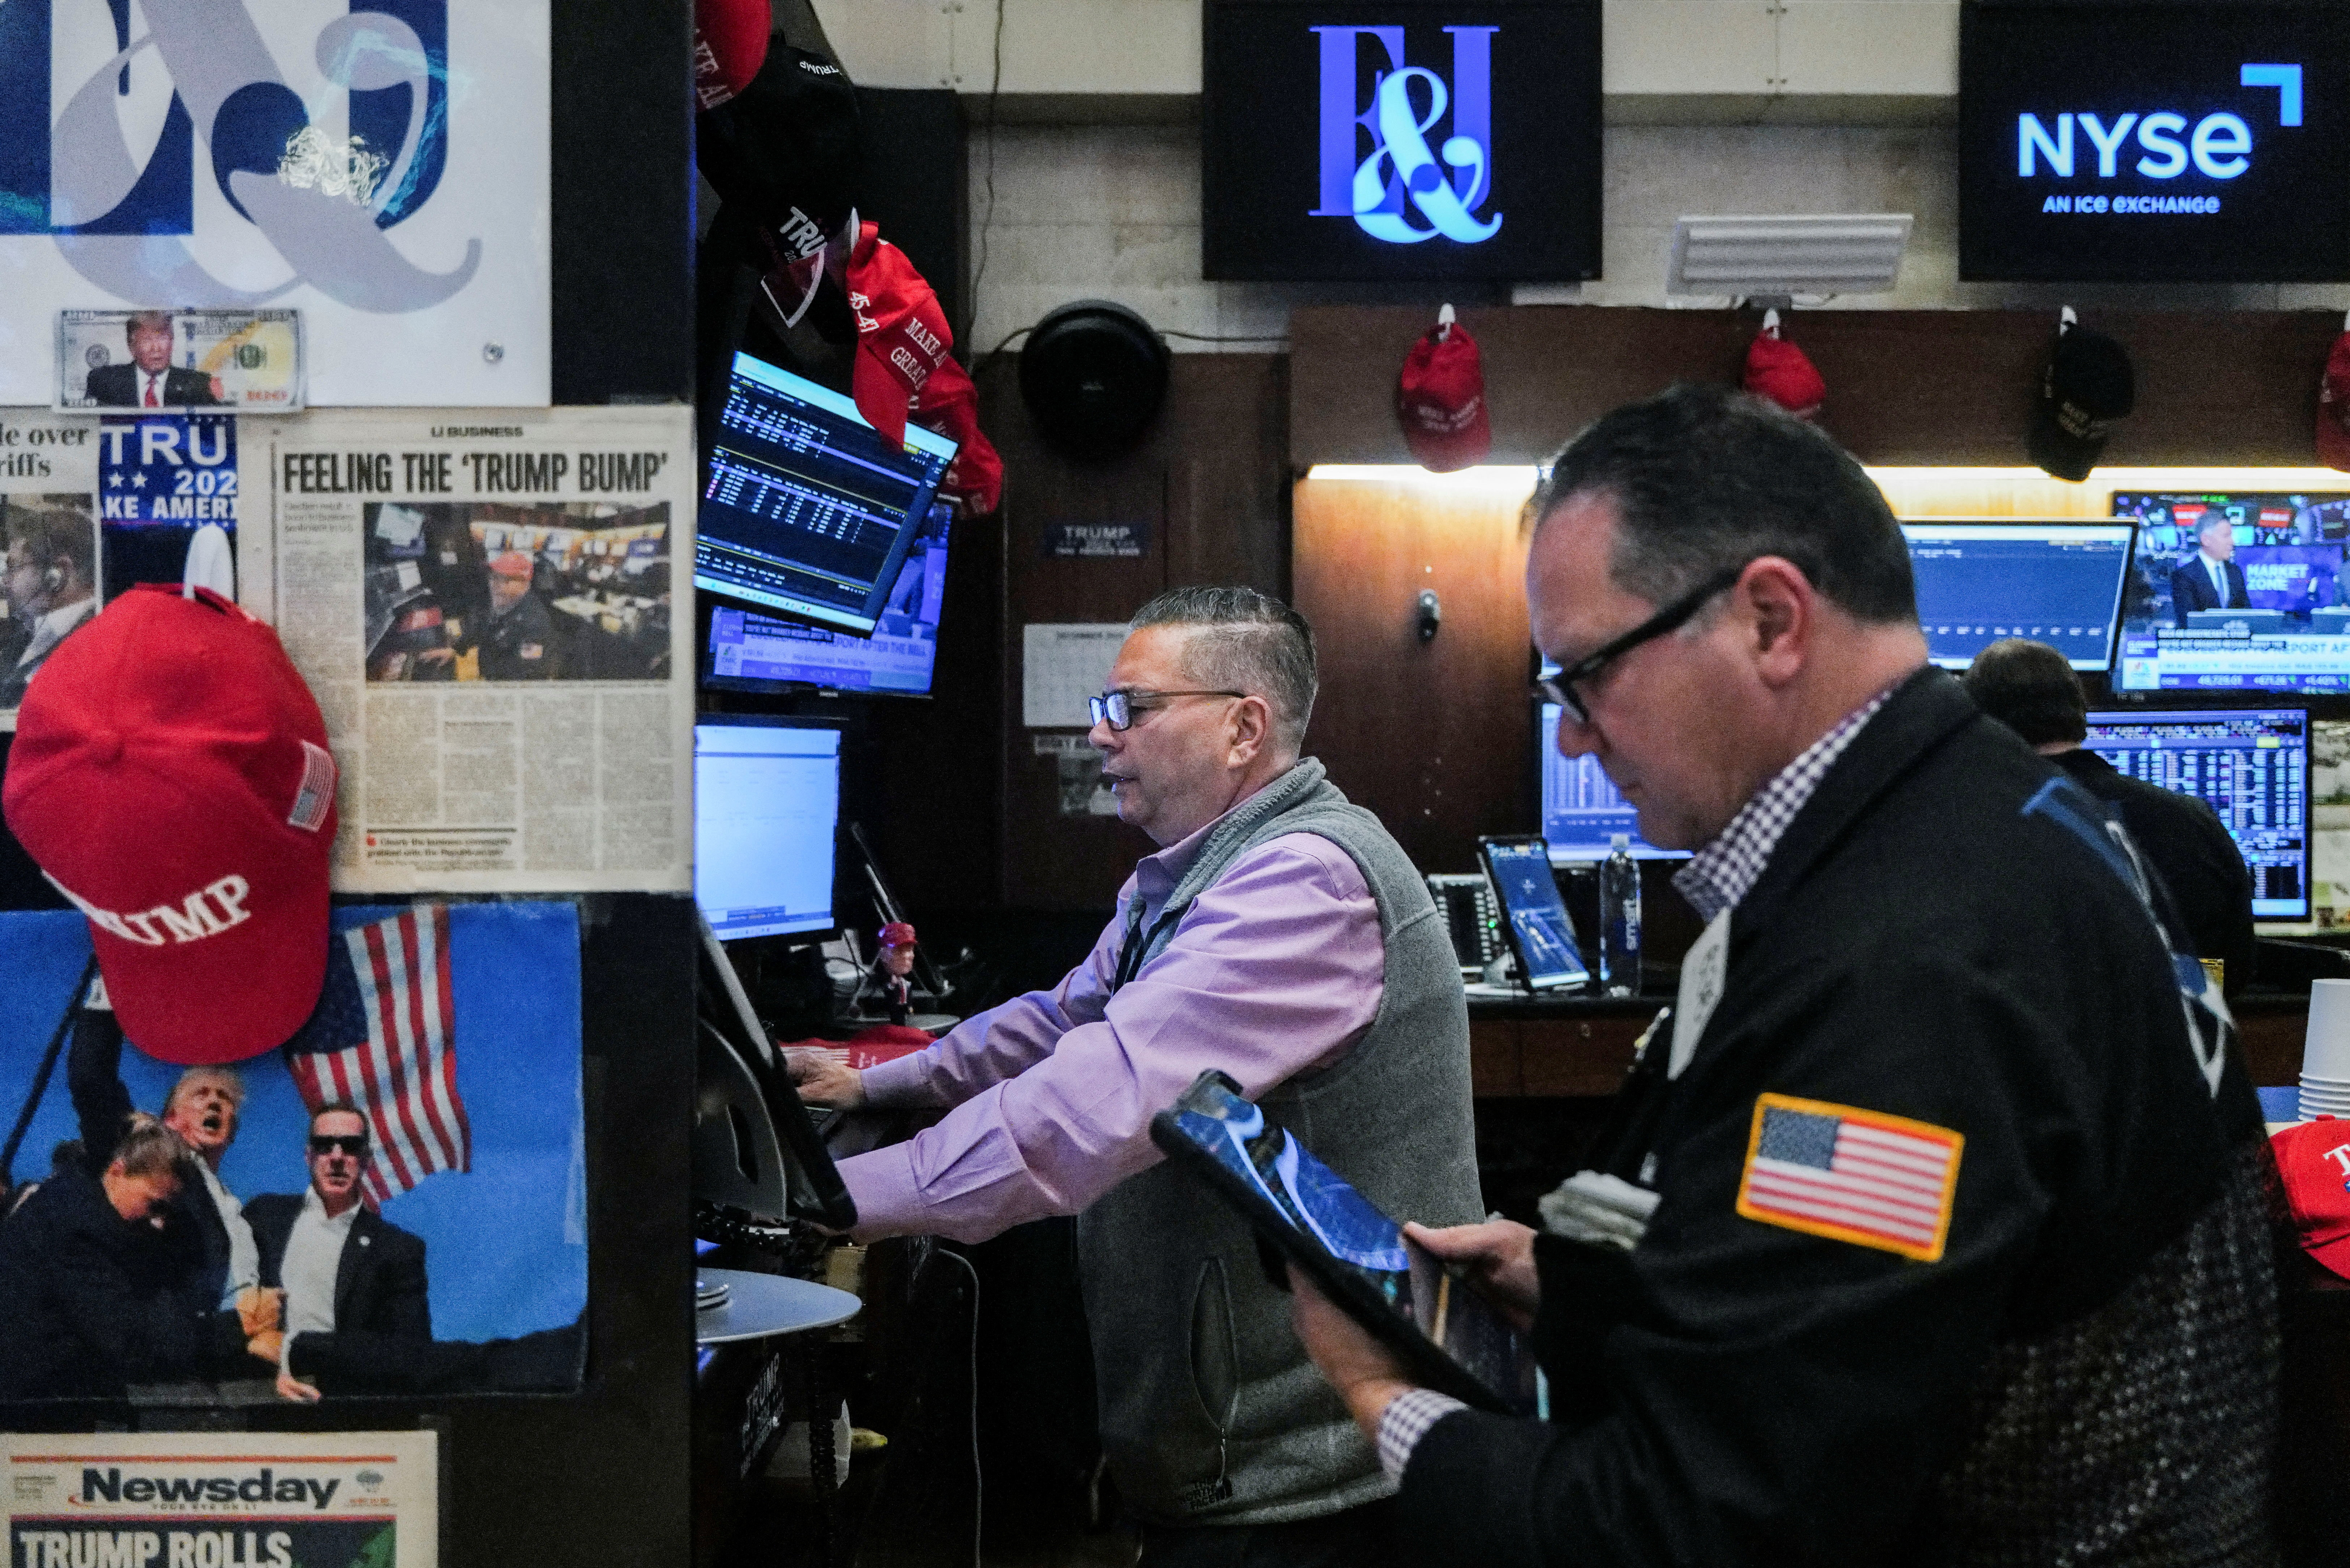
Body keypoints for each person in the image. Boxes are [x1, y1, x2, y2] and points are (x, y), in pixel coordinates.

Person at [1288, 385, 2277, 1565]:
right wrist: (1592, 1276)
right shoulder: (2003, 811)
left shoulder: (1904, 958)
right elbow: (1887, 1254)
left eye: (1586, 675)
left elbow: (1711, 1517)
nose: (1571, 737)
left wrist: (1379, 1396)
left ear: (1770, 619)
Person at [790, 586, 1482, 1561]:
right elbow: (1062, 1020)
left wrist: (820, 1196)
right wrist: (883, 1087)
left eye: (1129, 708)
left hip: (1306, 1485)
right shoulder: (1199, 873)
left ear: (1243, 727)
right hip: (1240, 1457)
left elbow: (1088, 1106)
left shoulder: (1305, 885)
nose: (1097, 732)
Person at [1965, 637, 2257, 993]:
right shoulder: (2190, 820)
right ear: (2078, 711)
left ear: (1981, 726)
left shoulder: (1971, 826)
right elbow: (2235, 963)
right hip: (2183, 1041)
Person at [0, 1118, 273, 1399]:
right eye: (155, 1205)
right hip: (31, 1412)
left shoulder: (89, 1208)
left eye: (167, 1211)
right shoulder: (76, 1232)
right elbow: (132, 1344)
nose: (159, 1224)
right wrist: (240, 1326)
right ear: (118, 1170)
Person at [67, 1001, 263, 1316]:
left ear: (232, 1132)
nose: (214, 1102)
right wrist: (109, 993)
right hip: (172, 1345)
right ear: (171, 1119)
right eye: (201, 1094)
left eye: (223, 1098)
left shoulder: (234, 1207)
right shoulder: (150, 1160)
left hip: (233, 1350)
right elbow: (92, 1081)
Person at [245, 1105, 431, 1402]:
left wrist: (311, 1357)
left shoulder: (397, 1249)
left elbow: (409, 1351)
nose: (337, 1156)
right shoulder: (264, 1219)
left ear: (366, 1160)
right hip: (258, 1398)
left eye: (350, 1146)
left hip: (343, 1405)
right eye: (324, 1145)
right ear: (309, 1156)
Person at [0, 507, 98, 709]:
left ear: (57, 574)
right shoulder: (29, 631)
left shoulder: (94, 640)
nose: (4, 582)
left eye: (13, 568)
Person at [82, 312, 222, 409]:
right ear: (132, 346)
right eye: (147, 340)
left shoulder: (199, 383)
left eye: (162, 339)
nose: (156, 348)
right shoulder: (103, 381)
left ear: (172, 343)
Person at [476, 550, 568, 679]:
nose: (494, 585)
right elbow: (483, 628)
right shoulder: (503, 603)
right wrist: (456, 649)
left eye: (505, 579)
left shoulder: (535, 623)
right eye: (493, 576)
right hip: (491, 678)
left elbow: (528, 675)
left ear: (525, 584)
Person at [2170, 508, 2251, 625]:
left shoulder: (2235, 572)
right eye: (2226, 536)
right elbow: (2187, 622)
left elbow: (2247, 614)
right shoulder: (2184, 576)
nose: (2232, 542)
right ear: (2206, 540)